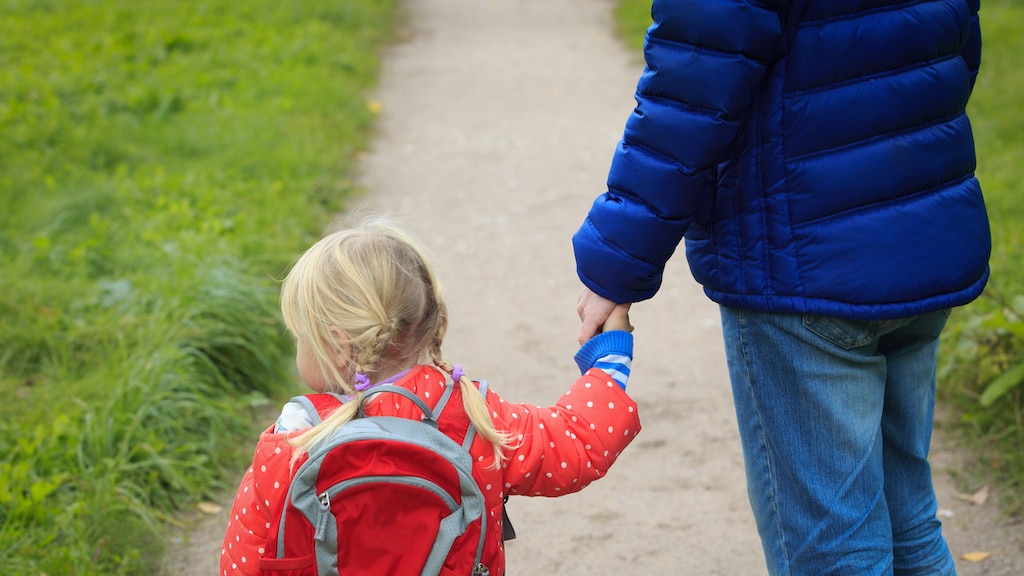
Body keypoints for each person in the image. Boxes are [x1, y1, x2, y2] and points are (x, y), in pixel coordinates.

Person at [573, 1, 988, 575]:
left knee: (835, 549)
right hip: (921, 241)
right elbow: (954, 46)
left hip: (799, 266)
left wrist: (615, 267)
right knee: (909, 520)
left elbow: (691, 94)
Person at [220, 218, 640, 576]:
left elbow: (248, 552)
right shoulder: (471, 413)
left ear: (337, 343)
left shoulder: (297, 435)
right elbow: (576, 442)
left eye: (301, 337)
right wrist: (610, 354)